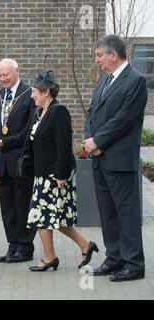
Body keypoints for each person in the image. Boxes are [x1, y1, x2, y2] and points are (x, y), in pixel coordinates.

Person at [0, 70, 98, 272]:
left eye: (34, 92)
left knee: (43, 217)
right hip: (41, 175)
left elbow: (63, 147)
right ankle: (83, 246)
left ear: (46, 92)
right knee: (51, 218)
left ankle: (51, 257)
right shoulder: (38, 113)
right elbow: (24, 136)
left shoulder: (59, 113)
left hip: (56, 175)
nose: (32, 96)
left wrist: (61, 175)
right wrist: (4, 143)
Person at [84, 34, 147, 282]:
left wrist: (99, 142)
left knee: (126, 213)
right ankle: (114, 258)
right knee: (107, 212)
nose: (97, 60)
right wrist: (90, 141)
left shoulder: (135, 81)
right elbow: (91, 113)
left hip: (120, 161)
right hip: (101, 159)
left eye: (99, 55)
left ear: (114, 54)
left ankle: (134, 264)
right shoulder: (104, 82)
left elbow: (124, 119)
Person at [0, 58, 37, 263]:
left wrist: (6, 143)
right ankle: (12, 244)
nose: (2, 79)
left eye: (6, 74)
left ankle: (25, 247)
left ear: (17, 71)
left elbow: (29, 131)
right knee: (7, 205)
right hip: (1, 161)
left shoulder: (29, 94)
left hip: (21, 160)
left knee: (22, 204)